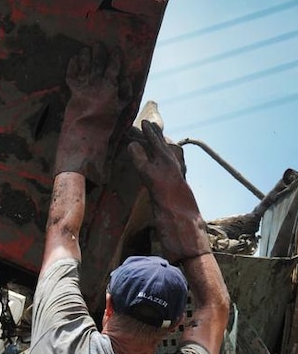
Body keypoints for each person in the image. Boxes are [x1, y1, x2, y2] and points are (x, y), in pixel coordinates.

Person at [29, 44, 230, 354]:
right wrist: (174, 196)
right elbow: (214, 308)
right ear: (176, 325)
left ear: (108, 304)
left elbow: (62, 230)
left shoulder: (61, 337)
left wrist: (86, 116)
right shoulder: (61, 337)